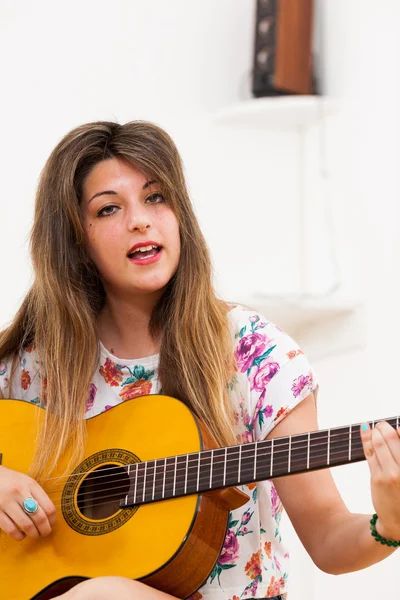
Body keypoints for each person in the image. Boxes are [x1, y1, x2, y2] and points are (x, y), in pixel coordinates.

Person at [0, 121, 399, 600]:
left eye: (156, 197)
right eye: (109, 208)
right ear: (76, 242)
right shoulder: (38, 363)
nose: (140, 221)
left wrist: (389, 525)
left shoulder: (255, 353)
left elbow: (330, 540)